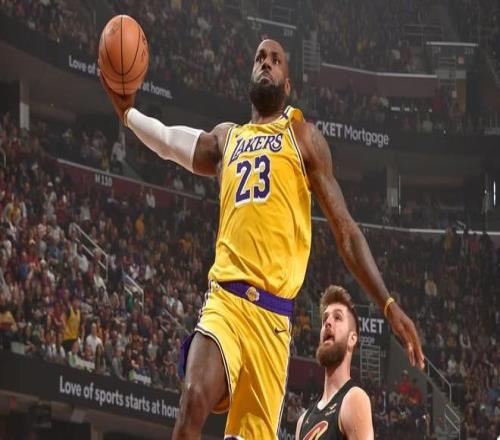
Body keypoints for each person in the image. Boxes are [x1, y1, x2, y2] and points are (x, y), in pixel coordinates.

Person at [101, 38, 424, 439]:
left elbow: (345, 230)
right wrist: (129, 115)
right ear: (251, 75)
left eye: (275, 60)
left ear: (287, 84)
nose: (266, 63)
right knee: (194, 398)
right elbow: (169, 141)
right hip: (226, 302)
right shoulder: (227, 139)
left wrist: (388, 304)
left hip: (273, 322)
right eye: (259, 58)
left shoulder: (303, 137)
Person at [296, 286, 373, 439]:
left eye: (337, 317)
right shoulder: (302, 421)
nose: (328, 323)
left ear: (352, 339)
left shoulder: (354, 399)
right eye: (325, 319)